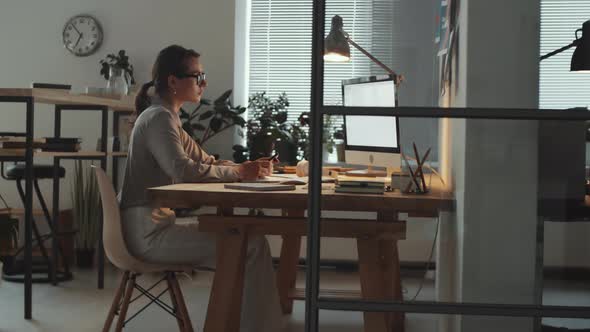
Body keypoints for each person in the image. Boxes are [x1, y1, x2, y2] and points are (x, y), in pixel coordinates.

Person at [118, 45, 283, 332]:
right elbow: (181, 170)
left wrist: (243, 168)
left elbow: (204, 162)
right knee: (250, 244)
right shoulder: (159, 118)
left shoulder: (167, 118)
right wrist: (240, 173)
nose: (204, 83)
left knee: (248, 238)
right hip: (149, 235)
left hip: (154, 226)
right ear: (172, 81)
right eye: (198, 76)